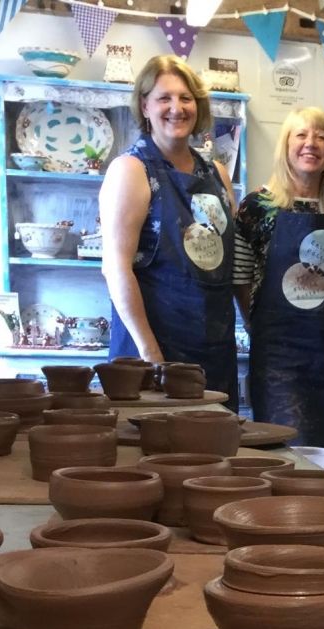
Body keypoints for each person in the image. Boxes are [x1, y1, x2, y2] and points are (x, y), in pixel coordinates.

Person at [101, 56, 238, 407]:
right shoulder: (130, 170)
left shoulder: (218, 174)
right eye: (164, 98)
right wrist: (151, 354)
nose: (176, 108)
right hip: (154, 349)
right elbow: (116, 268)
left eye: (185, 98)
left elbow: (228, 264)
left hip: (213, 348)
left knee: (216, 454)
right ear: (145, 105)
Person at [233, 107, 324, 471]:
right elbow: (239, 278)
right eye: (301, 135)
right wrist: (254, 324)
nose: (311, 144)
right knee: (289, 454)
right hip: (279, 356)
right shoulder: (257, 207)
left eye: (321, 136)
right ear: (286, 146)